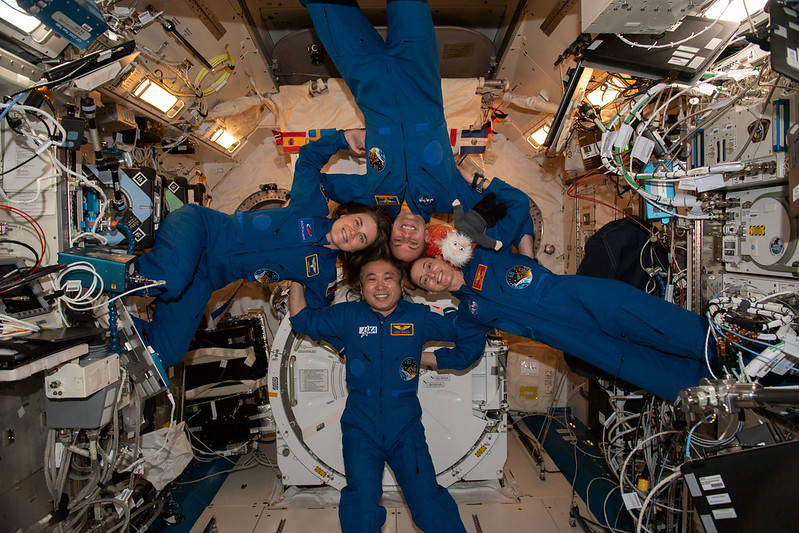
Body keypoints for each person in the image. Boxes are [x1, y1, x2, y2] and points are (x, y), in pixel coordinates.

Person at [301, 0, 536, 261]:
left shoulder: (371, 196)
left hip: (366, 78)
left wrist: (343, 138)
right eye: (412, 244)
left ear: (388, 234)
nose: (406, 235)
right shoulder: (452, 199)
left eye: (398, 240)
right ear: (426, 237)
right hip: (418, 69)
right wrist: (530, 262)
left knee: (321, 4)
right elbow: (517, 207)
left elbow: (314, 182)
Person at [134, 134, 392, 368]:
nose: (352, 232)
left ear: (358, 251)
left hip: (203, 279)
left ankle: (107, 328)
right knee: (169, 279)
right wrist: (346, 137)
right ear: (348, 213)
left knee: (166, 353)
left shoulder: (322, 277)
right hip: (201, 230)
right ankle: (104, 277)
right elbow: (310, 157)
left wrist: (345, 344)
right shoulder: (311, 203)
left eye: (362, 238)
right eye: (357, 223)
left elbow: (308, 321)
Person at [288, 255, 484, 532]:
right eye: (372, 279)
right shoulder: (347, 316)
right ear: (361, 286)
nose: (380, 286)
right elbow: (302, 320)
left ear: (402, 284)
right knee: (361, 508)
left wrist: (432, 359)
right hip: (360, 429)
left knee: (429, 504)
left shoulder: (419, 317)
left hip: (405, 429)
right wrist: (296, 277)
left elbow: (470, 337)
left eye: (388, 278)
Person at [408, 248, 713, 401]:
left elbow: (513, 208)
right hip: (583, 342)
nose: (432, 276)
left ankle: (743, 351)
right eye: (426, 281)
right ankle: (730, 389)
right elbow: (463, 356)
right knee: (664, 376)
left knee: (683, 334)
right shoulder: (469, 313)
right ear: (432, 292)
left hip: (596, 303)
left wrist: (527, 251)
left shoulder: (481, 252)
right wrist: (413, 355)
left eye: (429, 266)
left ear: (441, 259)